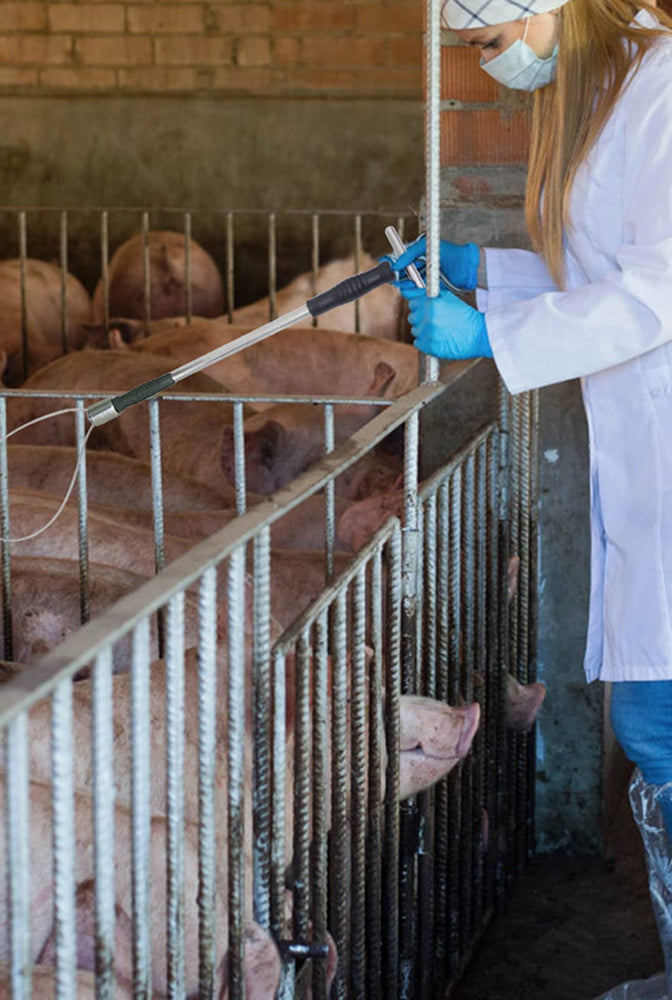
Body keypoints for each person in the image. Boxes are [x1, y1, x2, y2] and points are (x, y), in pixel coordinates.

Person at [387, 0, 672, 994]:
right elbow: (596, 268)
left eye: (488, 40)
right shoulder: (618, 92)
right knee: (654, 723)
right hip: (647, 455)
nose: (487, 62)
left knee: (657, 726)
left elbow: (653, 292)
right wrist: (484, 277)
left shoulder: (664, 92)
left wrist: (491, 336)